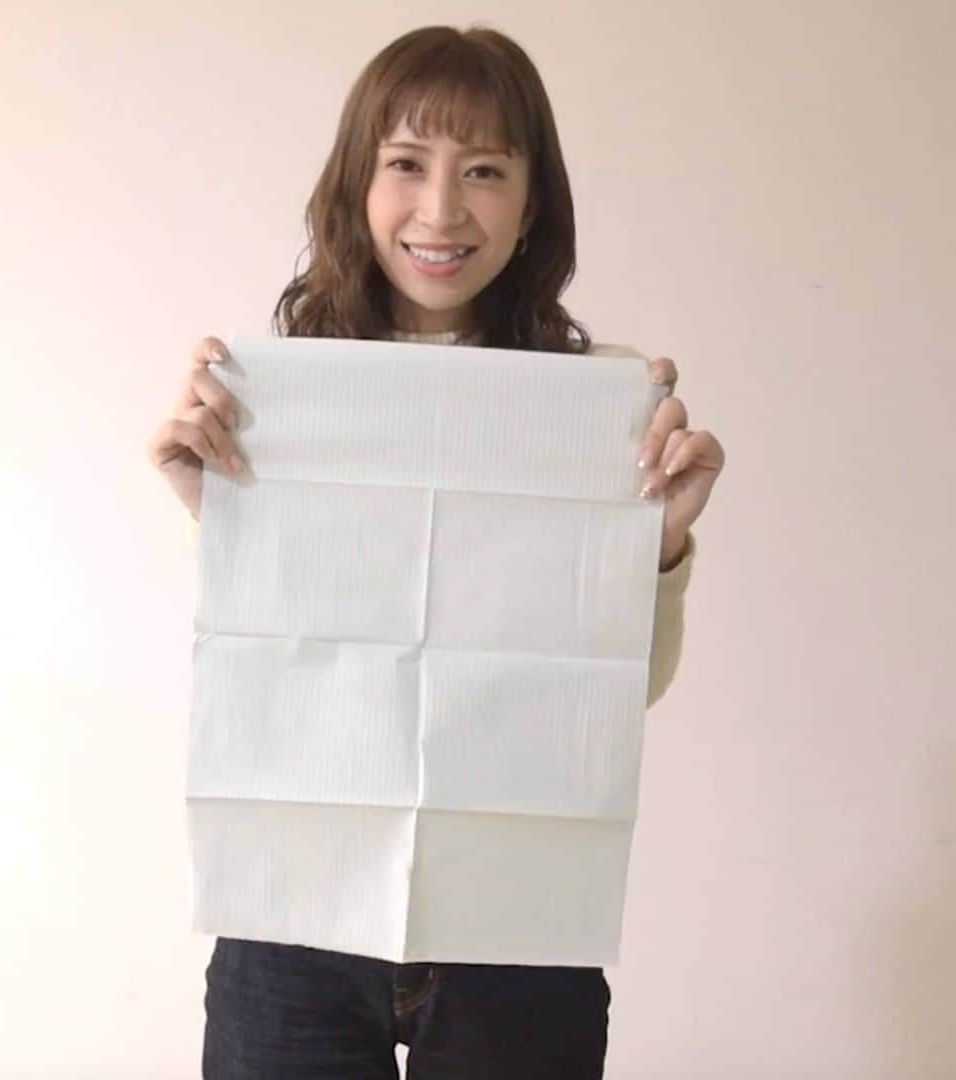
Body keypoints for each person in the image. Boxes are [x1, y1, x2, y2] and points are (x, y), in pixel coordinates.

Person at [146, 23, 726, 1080]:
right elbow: (266, 668)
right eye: (407, 163)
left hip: (518, 921)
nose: (443, 209)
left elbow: (611, 687)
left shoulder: (592, 408)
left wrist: (659, 544)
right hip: (298, 914)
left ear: (533, 203)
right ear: (356, 185)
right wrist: (212, 507)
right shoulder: (280, 398)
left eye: (485, 171)